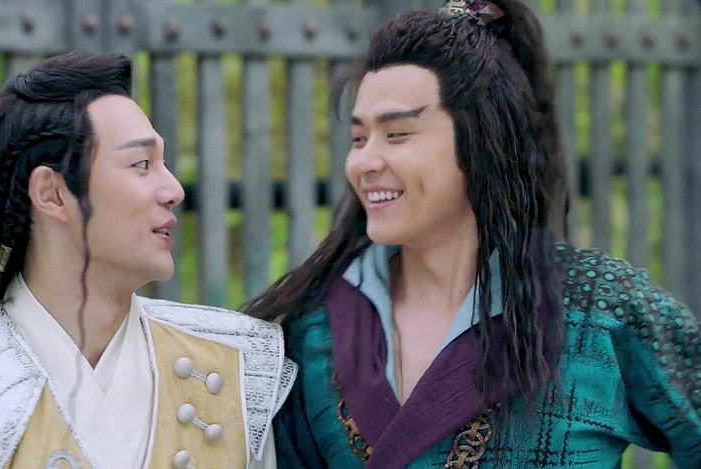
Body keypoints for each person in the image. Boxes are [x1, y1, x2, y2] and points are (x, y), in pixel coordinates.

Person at [243, 1, 700, 468]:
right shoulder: (318, 330)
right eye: (359, 139)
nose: (364, 162)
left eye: (397, 134)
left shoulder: (598, 309)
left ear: (481, 139)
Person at [0, 52, 295, 469]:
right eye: (141, 164)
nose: (174, 190)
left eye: (162, 163)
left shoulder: (232, 366)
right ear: (52, 193)